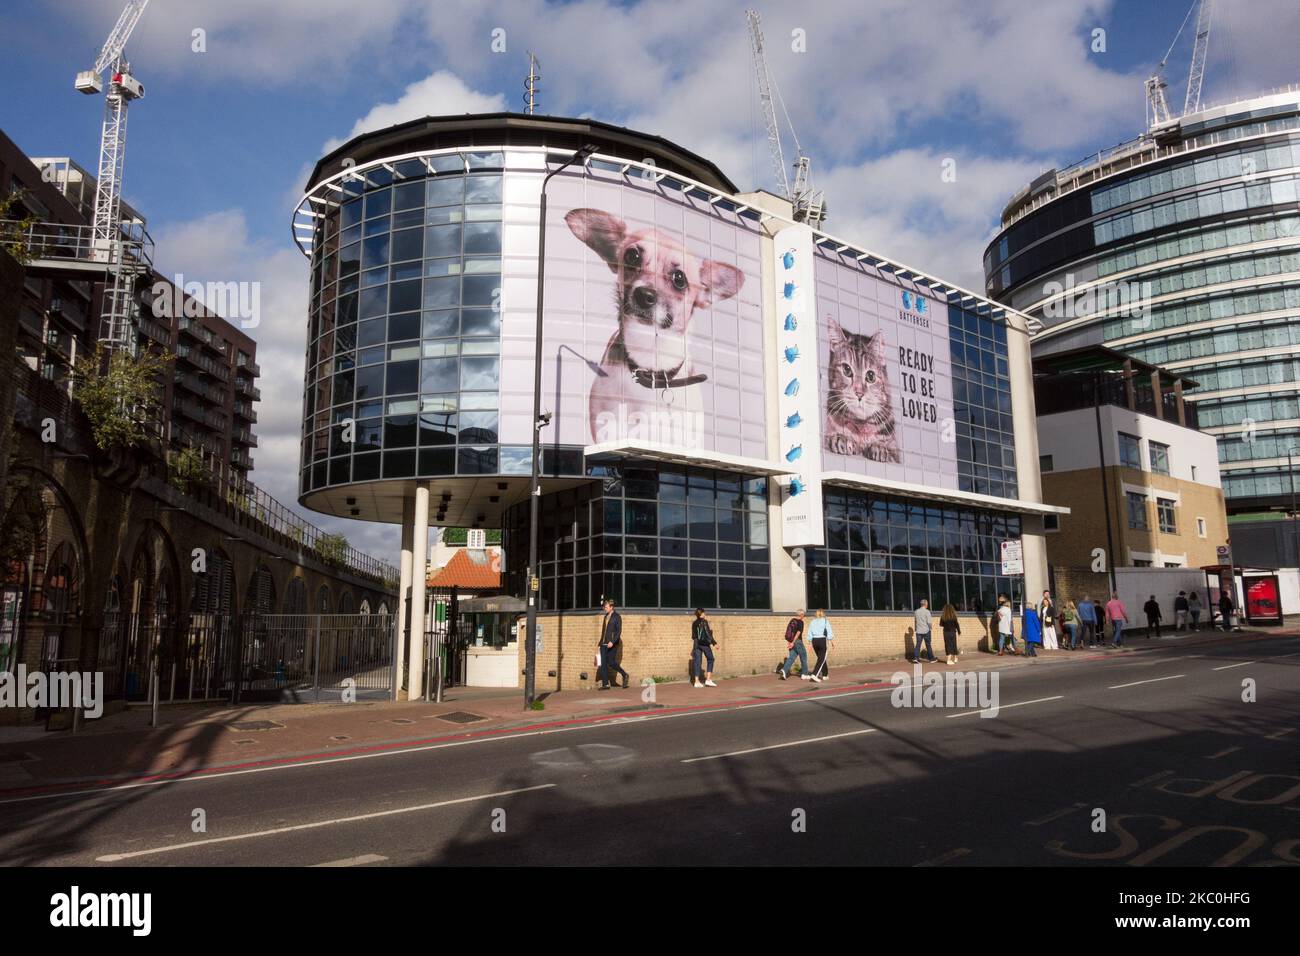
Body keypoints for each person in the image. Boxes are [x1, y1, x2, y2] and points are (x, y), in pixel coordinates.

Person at [597, 599, 628, 690]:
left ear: (611, 607)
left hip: (612, 644)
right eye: (604, 607)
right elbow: (604, 631)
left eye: (606, 607)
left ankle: (624, 674)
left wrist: (613, 641)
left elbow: (619, 631)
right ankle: (606, 684)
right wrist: (600, 643)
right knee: (602, 663)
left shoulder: (617, 617)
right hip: (603, 643)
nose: (604, 609)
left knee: (611, 662)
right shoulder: (605, 617)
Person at [778, 609, 809, 680]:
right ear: (801, 615)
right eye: (803, 615)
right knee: (803, 656)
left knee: (791, 657)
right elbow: (798, 633)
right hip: (797, 642)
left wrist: (789, 642)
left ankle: (784, 671)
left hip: (791, 641)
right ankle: (805, 674)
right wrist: (793, 642)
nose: (803, 616)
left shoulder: (792, 620)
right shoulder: (800, 622)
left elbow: (789, 632)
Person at [691, 608, 717, 688]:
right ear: (701, 614)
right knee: (711, 659)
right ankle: (708, 680)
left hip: (696, 644)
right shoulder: (704, 622)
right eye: (704, 613)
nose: (705, 614)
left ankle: (697, 682)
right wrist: (714, 643)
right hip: (704, 644)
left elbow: (693, 636)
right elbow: (708, 634)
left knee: (697, 662)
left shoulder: (694, 623)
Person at [808, 609, 833, 682]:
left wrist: (809, 642)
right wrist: (830, 640)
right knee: (821, 659)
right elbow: (829, 631)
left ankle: (825, 674)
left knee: (821, 658)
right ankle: (814, 674)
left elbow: (809, 632)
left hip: (814, 641)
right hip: (822, 640)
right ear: (823, 614)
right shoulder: (825, 621)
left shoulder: (812, 621)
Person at [913, 598, 937, 664]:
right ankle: (931, 658)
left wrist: (915, 628)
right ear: (926, 604)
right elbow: (929, 622)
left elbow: (915, 621)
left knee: (918, 644)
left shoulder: (916, 611)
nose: (928, 605)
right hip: (926, 630)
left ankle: (916, 658)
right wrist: (931, 628)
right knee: (928, 644)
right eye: (927, 604)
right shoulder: (927, 612)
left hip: (918, 631)